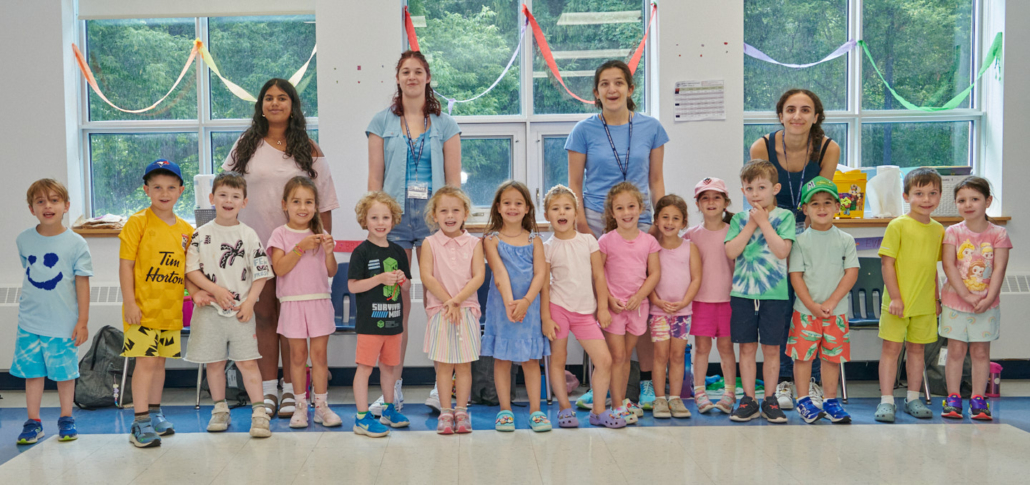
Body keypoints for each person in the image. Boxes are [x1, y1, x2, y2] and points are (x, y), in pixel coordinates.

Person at [223, 78, 339, 419]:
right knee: (263, 316)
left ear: (293, 105)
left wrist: (322, 246)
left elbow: (325, 203)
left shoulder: (309, 148)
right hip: (255, 248)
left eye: (282, 98)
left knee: (292, 322)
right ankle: (268, 390)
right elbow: (228, 191)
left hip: (299, 250)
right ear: (261, 105)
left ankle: (292, 390)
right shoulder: (245, 145)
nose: (275, 103)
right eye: (269, 98)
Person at [567, 60, 669, 410]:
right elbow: (574, 184)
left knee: (642, 302)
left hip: (640, 219)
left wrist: (657, 222)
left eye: (619, 83)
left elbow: (656, 180)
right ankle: (602, 381)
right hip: (596, 221)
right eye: (605, 84)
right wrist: (583, 227)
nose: (612, 89)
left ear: (630, 88)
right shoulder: (583, 130)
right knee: (602, 302)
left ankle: (647, 384)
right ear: (596, 93)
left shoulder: (652, 128)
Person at [367, 50, 462, 414]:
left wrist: (453, 223)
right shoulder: (381, 122)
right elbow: (375, 179)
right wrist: (374, 222)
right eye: (405, 71)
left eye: (418, 71)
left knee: (441, 300)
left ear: (427, 77)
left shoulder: (445, 125)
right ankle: (393, 390)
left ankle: (443, 387)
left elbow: (452, 183)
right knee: (395, 305)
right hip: (392, 220)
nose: (411, 77)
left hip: (434, 218)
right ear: (398, 78)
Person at [749, 89, 841, 411]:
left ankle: (811, 382)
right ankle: (785, 380)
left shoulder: (829, 148)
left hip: (811, 230)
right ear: (781, 115)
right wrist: (782, 238)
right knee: (782, 307)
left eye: (805, 110)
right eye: (790, 110)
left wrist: (806, 241)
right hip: (775, 229)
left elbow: (821, 198)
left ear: (816, 116)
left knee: (809, 305)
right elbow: (762, 195)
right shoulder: (761, 147)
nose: (797, 116)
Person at [183, 172, 273, 437]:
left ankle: (259, 413)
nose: (228, 200)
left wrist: (250, 303)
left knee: (248, 363)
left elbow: (261, 273)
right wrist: (214, 290)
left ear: (244, 202)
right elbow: (191, 270)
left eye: (235, 196)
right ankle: (220, 409)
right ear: (212, 198)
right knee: (214, 364)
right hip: (208, 313)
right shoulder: (200, 234)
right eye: (222, 195)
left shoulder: (248, 234)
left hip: (241, 312)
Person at [120, 160, 197, 447]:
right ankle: (139, 422)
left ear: (181, 191)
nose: (164, 193)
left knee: (160, 364)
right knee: (146, 363)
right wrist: (130, 302)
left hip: (170, 311)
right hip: (141, 310)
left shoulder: (186, 230)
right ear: (146, 190)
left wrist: (197, 294)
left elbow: (188, 272)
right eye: (157, 187)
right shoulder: (137, 222)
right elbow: (126, 266)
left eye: (171, 187)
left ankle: (154, 413)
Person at [540, 185, 626, 429]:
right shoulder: (547, 247)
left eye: (567, 207)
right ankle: (564, 408)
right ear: (547, 215)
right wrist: (546, 317)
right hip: (558, 308)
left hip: (585, 312)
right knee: (558, 360)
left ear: (576, 213)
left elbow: (599, 276)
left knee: (604, 360)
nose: (562, 212)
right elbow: (544, 286)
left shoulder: (588, 241)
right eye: (555, 208)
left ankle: (598, 411)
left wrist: (603, 308)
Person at [13, 179, 92, 444]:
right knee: (32, 374)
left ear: (66, 206)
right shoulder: (23, 240)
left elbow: (82, 283)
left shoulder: (76, 243)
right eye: (41, 201)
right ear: (31, 208)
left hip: (63, 324)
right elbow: (29, 271)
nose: (48, 206)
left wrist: (82, 321)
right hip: (29, 322)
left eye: (54, 200)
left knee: (65, 374)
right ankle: (33, 422)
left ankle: (66, 418)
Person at [724, 160, 795, 424]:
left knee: (772, 348)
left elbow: (782, 251)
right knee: (746, 347)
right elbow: (731, 251)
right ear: (743, 191)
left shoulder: (785, 217)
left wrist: (763, 222)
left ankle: (770, 398)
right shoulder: (739, 219)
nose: (755, 194)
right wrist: (752, 224)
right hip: (743, 294)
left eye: (762, 187)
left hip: (774, 296)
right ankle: (749, 399)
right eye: (749, 188)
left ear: (775, 189)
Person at [266, 177, 340, 429]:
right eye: (296, 201)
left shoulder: (321, 234)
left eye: (309, 202)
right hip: (292, 303)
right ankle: (300, 406)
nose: (302, 207)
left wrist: (328, 253)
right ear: (284, 204)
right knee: (297, 356)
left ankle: (321, 406)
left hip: (319, 302)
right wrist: (299, 248)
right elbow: (279, 268)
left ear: (316, 206)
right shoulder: (280, 234)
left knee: (319, 357)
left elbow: (331, 271)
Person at [786, 177, 859, 424]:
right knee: (803, 357)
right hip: (805, 312)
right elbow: (796, 276)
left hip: (835, 313)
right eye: (815, 203)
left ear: (838, 207)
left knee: (831, 358)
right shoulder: (799, 242)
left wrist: (831, 302)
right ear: (805, 209)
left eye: (827, 202)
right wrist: (812, 306)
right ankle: (803, 400)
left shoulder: (846, 240)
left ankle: (830, 401)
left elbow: (851, 273)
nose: (821, 208)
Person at [874, 168, 945, 423]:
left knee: (917, 351)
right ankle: (886, 401)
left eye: (932, 193)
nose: (926, 199)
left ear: (940, 196)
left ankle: (913, 398)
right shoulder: (898, 225)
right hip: (897, 303)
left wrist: (936, 299)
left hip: (924, 304)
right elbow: (887, 264)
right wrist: (895, 298)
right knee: (891, 349)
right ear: (906, 196)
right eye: (919, 193)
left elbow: (932, 268)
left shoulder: (939, 230)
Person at [939, 176, 1010, 420]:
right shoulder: (952, 232)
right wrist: (966, 295)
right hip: (955, 303)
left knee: (980, 352)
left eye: (974, 199)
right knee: (956, 351)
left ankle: (978, 399)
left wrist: (988, 298)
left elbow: (999, 269)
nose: (968, 204)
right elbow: (949, 265)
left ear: (987, 201)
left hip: (985, 305)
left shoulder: (999, 234)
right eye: (962, 200)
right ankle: (953, 397)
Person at [482, 181, 551, 432]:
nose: (513, 207)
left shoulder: (536, 240)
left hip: (529, 309)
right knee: (502, 359)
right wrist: (512, 305)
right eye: (507, 203)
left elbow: (541, 275)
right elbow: (499, 274)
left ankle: (536, 411)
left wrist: (526, 303)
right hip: (503, 309)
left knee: (531, 360)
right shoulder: (491, 240)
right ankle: (505, 410)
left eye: (518, 203)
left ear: (527, 208)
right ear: (498, 208)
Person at [419, 186, 484, 434]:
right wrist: (449, 301)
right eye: (444, 211)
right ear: (434, 216)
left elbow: (478, 276)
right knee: (444, 366)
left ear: (465, 214)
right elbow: (427, 276)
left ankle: (462, 411)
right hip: (441, 310)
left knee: (464, 365)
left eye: (456, 210)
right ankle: (446, 412)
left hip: (466, 309)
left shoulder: (474, 243)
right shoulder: (429, 243)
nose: (450, 215)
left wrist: (458, 301)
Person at [348, 191, 412, 437]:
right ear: (364, 220)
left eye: (385, 217)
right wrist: (379, 279)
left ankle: (388, 409)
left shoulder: (398, 252)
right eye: (374, 217)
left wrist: (402, 279)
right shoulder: (361, 252)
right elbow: (354, 286)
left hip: (393, 323)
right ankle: (361, 417)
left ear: (393, 220)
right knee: (365, 368)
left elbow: (406, 287)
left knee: (389, 368)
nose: (380, 222)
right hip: (370, 325)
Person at [598, 182, 661, 424]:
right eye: (620, 208)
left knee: (626, 357)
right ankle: (616, 405)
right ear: (612, 213)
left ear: (641, 208)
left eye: (631, 206)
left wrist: (639, 296)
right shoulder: (606, 241)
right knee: (617, 356)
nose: (626, 213)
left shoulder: (649, 242)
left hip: (637, 308)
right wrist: (608, 299)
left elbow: (654, 274)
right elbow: (598, 274)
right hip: (614, 308)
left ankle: (622, 400)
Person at [684, 178, 737, 414]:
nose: (711, 202)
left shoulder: (734, 232)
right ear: (697, 204)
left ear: (726, 202)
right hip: (700, 302)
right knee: (702, 348)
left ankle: (729, 393)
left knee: (726, 348)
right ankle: (699, 392)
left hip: (728, 301)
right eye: (705, 198)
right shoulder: (690, 235)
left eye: (716, 197)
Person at [648, 195, 701, 419]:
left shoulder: (690, 248)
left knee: (678, 355)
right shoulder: (652, 248)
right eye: (665, 217)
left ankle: (676, 398)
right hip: (658, 312)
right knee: (660, 355)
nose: (670, 222)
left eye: (676, 218)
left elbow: (696, 278)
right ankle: (660, 398)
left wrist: (685, 302)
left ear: (684, 222)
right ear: (656, 220)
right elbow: (646, 279)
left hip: (683, 313)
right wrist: (656, 301)